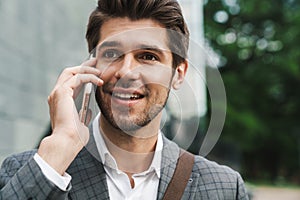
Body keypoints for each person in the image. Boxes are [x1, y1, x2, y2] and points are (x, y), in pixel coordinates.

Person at [0, 0, 249, 199]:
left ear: (178, 74)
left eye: (148, 56)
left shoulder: (225, 188)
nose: (126, 72)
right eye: (111, 53)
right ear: (91, 65)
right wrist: (60, 147)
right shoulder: (29, 172)